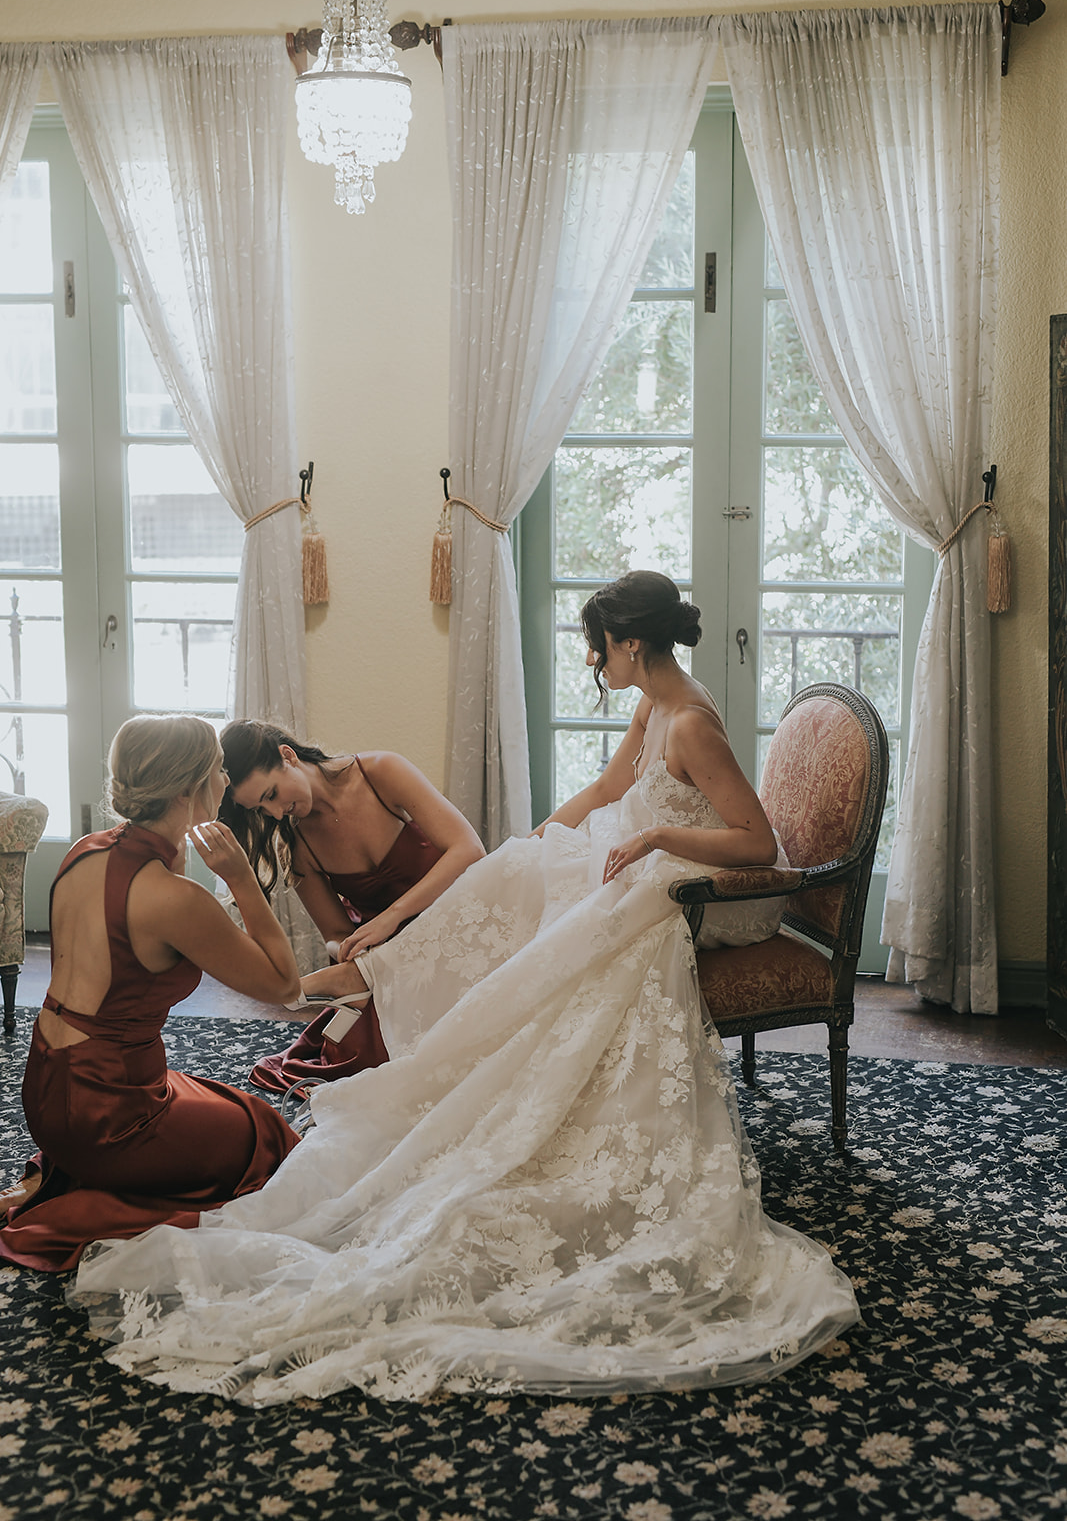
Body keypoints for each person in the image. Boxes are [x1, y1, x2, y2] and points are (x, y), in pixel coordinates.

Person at [69, 573, 859, 1402]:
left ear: (630, 645)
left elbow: (757, 845)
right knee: (515, 877)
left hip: (709, 896)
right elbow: (607, 793)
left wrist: (656, 834)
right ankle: (376, 983)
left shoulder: (689, 722)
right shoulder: (652, 705)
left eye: (597, 647)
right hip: (640, 858)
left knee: (555, 929)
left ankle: (382, 992)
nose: (592, 661)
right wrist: (541, 841)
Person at [0, 715, 335, 1272]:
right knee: (264, 1135)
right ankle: (91, 1199)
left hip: (47, 1090)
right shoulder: (174, 899)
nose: (227, 783)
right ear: (189, 788)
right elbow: (284, 985)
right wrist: (241, 880)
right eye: (219, 771)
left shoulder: (84, 850)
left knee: (214, 1097)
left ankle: (81, 1168)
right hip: (109, 1118)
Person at [218, 722, 485, 1091]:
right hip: (385, 953)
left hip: (460, 915)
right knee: (361, 1059)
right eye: (262, 809)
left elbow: (469, 850)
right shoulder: (299, 849)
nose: (276, 813)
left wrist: (391, 918)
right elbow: (335, 934)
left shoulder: (380, 772)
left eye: (272, 794)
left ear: (287, 756)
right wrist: (351, 949)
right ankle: (358, 977)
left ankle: (359, 978)